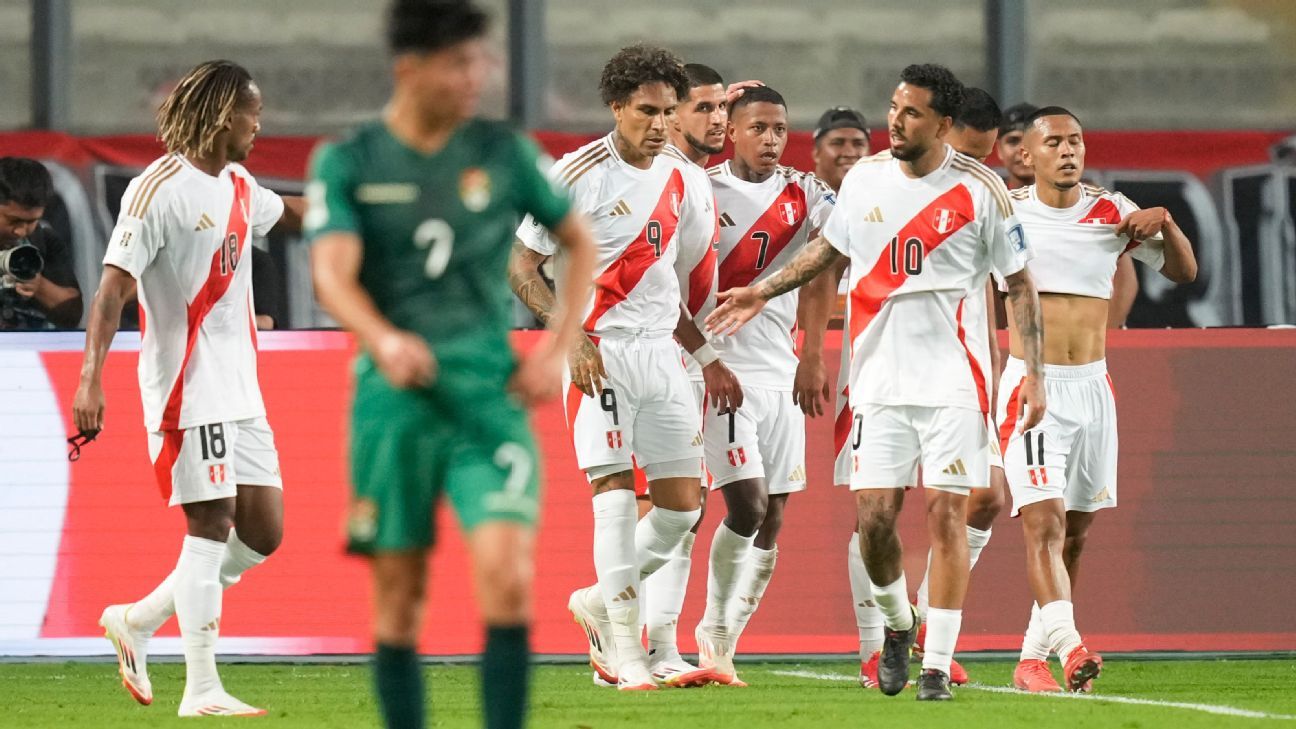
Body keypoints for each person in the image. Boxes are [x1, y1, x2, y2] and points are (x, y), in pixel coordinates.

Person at [707, 63, 1046, 701]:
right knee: (876, 525)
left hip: (955, 378)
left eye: (912, 112)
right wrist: (760, 289)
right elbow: (828, 252)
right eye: (894, 107)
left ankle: (938, 666)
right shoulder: (864, 180)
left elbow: (1020, 285)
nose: (895, 120)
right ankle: (898, 624)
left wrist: (1034, 373)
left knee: (947, 514)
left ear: (943, 124)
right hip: (878, 380)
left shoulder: (981, 190)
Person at [307, 3, 597, 728]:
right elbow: (332, 274)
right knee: (399, 599)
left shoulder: (504, 154)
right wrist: (381, 337)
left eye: (483, 60)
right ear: (410, 68)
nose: (479, 76)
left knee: (508, 576)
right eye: (461, 63)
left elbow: (579, 242)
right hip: (394, 401)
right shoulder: (349, 160)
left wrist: (558, 344)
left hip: (487, 397)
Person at [72, 59, 305, 717]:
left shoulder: (236, 182)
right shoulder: (157, 190)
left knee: (262, 532)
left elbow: (290, 214)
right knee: (211, 524)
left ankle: (138, 619)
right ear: (222, 112)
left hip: (241, 387)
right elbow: (113, 288)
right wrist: (90, 379)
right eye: (253, 111)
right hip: (187, 388)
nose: (259, 124)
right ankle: (201, 688)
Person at [509, 44, 741, 691]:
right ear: (615, 106)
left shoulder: (686, 179)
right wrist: (571, 337)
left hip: (662, 356)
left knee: (679, 511)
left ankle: (593, 599)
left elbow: (675, 279)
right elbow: (520, 265)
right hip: (598, 354)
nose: (660, 124)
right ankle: (623, 651)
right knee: (613, 498)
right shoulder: (574, 174)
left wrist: (705, 355)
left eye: (669, 111)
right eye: (647, 111)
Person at [1002, 107, 1196, 694]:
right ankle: (1070, 646)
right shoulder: (1006, 212)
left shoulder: (1112, 209)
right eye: (1054, 142)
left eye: (1076, 141)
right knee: (1044, 524)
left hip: (1093, 388)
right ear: (1027, 155)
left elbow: (1184, 273)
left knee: (1076, 534)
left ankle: (1031, 658)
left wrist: (1166, 223)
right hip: (1031, 386)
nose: (1068, 151)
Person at [693, 85, 835, 685]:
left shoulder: (807, 193)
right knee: (745, 505)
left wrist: (814, 351)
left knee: (773, 516)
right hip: (722, 370)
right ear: (732, 131)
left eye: (780, 128)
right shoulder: (701, 188)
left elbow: (838, 251)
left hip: (781, 368)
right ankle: (712, 628)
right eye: (759, 128)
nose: (772, 139)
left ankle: (729, 631)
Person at [0, 157, 83, 329]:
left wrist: (38, 286)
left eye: (31, 222)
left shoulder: (43, 240)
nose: (21, 231)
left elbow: (72, 314)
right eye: (13, 221)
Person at [811, 107, 871, 193]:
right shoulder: (799, 203)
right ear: (817, 153)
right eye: (837, 143)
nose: (850, 153)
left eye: (858, 144)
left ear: (869, 153)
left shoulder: (882, 202)